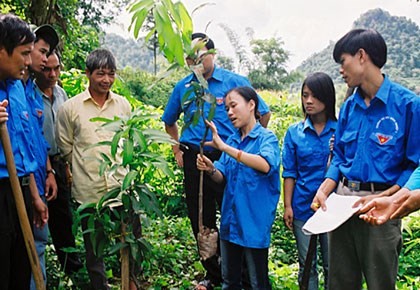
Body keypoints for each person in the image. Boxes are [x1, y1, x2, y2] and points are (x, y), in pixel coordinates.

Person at [311, 29, 420, 290]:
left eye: (343, 61)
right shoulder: (349, 107)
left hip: (381, 206)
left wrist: (389, 196)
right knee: (339, 281)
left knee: (380, 282)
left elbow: (414, 163)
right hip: (342, 205)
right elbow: (339, 156)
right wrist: (325, 188)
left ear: (361, 56)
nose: (340, 70)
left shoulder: (407, 105)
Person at [162, 32, 271, 289]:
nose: (197, 61)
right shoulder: (184, 87)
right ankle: (214, 273)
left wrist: (246, 141)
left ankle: (243, 276)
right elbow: (169, 120)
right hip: (194, 156)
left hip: (229, 156)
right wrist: (178, 149)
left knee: (234, 211)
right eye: (191, 57)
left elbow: (263, 114)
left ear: (213, 53)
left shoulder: (234, 83)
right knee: (200, 218)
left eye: (201, 55)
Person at [56, 48, 136, 289]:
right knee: (95, 250)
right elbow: (67, 148)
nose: (106, 80)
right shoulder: (70, 109)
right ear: (88, 74)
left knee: (130, 242)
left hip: (121, 188)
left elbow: (129, 141)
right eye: (101, 73)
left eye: (111, 74)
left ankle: (130, 282)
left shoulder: (123, 105)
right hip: (89, 192)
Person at [196, 86, 279, 289]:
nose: (230, 113)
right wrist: (210, 168)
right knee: (229, 282)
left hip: (253, 223)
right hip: (230, 222)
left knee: (257, 283)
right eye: (227, 109)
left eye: (234, 106)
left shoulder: (266, 138)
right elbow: (221, 177)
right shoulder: (234, 140)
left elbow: (265, 164)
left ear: (251, 105)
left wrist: (224, 148)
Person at [0, 13, 44, 289]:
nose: (28, 62)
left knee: (20, 269)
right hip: (1, 192)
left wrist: (35, 196)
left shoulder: (17, 88)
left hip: (21, 191)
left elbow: (25, 149)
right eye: (24, 53)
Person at [282, 72, 336, 290]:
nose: (309, 101)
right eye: (305, 96)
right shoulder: (294, 133)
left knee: (334, 264)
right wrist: (287, 206)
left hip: (334, 209)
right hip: (303, 206)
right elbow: (290, 172)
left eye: (314, 96)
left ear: (327, 97)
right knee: (307, 265)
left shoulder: (340, 130)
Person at [35, 50, 83, 274]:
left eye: (56, 69)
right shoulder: (30, 95)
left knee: (63, 215)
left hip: (59, 162)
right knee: (40, 214)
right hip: (38, 162)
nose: (52, 74)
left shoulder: (62, 94)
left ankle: (70, 267)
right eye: (47, 69)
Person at [22, 23, 60, 289]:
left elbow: (37, 139)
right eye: (41, 52)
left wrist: (48, 172)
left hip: (38, 178)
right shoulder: (12, 88)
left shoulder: (27, 90)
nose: (46, 60)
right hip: (21, 185)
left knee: (39, 246)